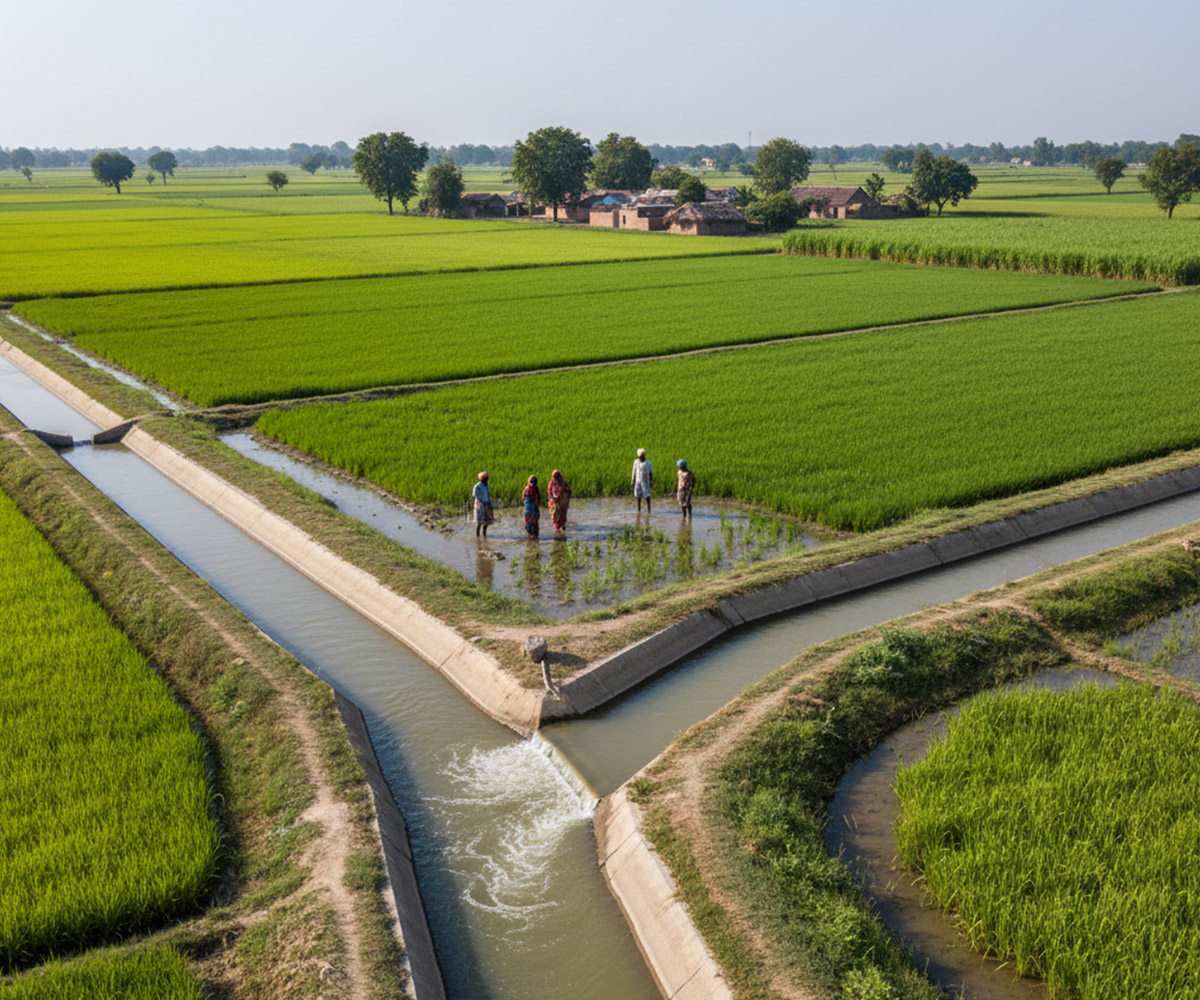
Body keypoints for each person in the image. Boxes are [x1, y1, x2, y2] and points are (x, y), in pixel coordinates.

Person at [631, 448, 653, 514]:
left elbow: (651, 473)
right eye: (639, 457)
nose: (640, 458)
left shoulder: (648, 463)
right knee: (638, 497)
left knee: (647, 496)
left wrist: (651, 481)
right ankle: (639, 510)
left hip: (646, 482)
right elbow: (634, 471)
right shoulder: (636, 462)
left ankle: (649, 510)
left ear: (644, 456)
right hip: (638, 482)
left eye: (641, 457)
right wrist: (632, 480)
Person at [472, 471, 494, 538]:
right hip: (480, 504)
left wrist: (489, 503)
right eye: (484, 479)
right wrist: (482, 503)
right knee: (479, 522)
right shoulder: (477, 486)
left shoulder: (486, 484)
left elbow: (487, 494)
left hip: (486, 503)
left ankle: (484, 533)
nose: (486, 481)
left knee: (488, 520)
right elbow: (475, 495)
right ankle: (477, 536)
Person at [522, 474, 541, 539]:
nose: (533, 483)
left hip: (532, 511)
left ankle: (533, 542)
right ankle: (533, 541)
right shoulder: (528, 490)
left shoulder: (531, 489)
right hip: (530, 512)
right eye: (531, 482)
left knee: (533, 526)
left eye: (534, 482)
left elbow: (538, 499)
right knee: (531, 526)